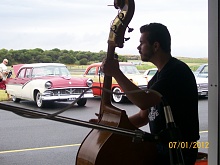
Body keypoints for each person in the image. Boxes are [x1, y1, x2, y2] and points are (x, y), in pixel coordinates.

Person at [100, 23, 200, 164]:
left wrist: (116, 72)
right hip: (162, 147)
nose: (138, 47)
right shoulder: (155, 79)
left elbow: (143, 101)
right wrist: (111, 126)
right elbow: (143, 117)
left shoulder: (176, 71)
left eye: (142, 43)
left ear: (156, 46)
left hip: (179, 148)